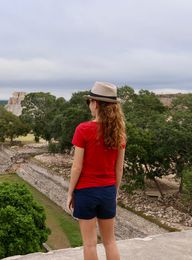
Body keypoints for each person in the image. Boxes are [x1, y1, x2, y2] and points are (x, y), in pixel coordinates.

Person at [66, 82, 126, 260]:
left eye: (90, 102)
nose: (90, 106)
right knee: (110, 242)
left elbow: (77, 166)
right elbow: (119, 168)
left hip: (86, 191)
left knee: (90, 243)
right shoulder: (119, 133)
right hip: (107, 190)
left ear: (95, 103)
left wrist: (70, 192)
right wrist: (113, 192)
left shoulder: (83, 129)